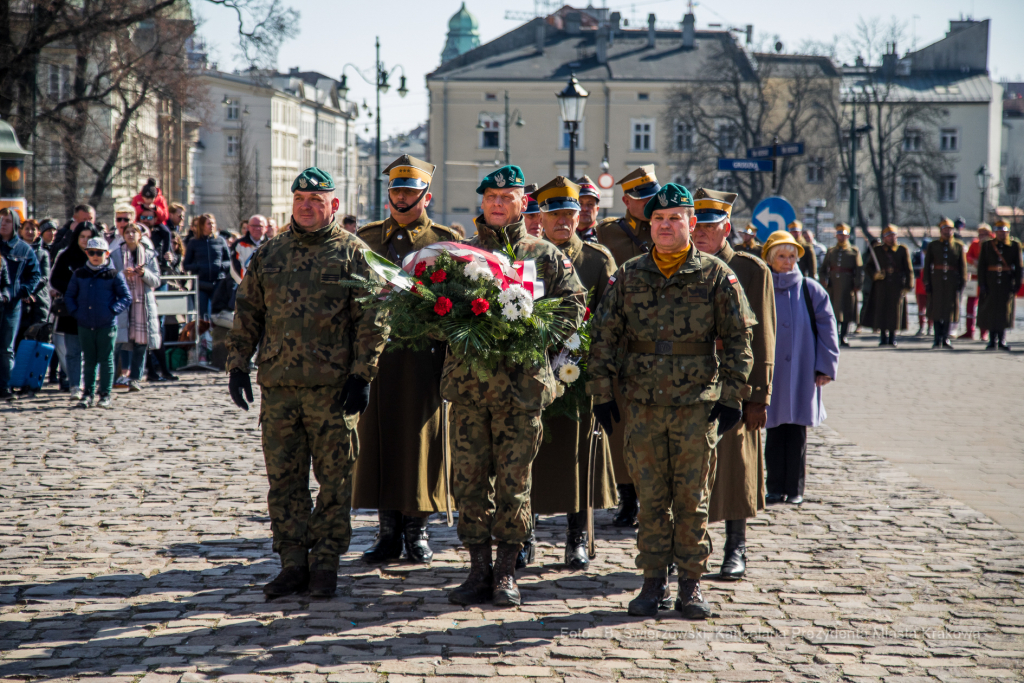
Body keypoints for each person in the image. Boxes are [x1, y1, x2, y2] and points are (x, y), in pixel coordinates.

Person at [589, 182, 753, 618]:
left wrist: (732, 396)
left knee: (692, 500)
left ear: (691, 223)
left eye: (674, 219)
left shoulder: (716, 276)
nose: (665, 226)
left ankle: (691, 584)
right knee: (650, 499)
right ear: (650, 225)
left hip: (696, 406)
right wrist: (601, 393)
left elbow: (740, 341)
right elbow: (603, 337)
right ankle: (652, 582)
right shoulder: (629, 275)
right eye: (658, 219)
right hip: (642, 407)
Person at [226, 167, 388, 600]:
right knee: (284, 481)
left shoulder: (353, 253)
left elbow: (373, 320)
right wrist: (237, 364)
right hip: (279, 388)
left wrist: (362, 374)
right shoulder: (271, 252)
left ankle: (326, 564)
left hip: (332, 390)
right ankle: (293, 563)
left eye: (316, 200)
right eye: (300, 200)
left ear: (333, 205)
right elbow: (248, 310)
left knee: (335, 481)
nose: (307, 207)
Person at [444, 165, 585, 608]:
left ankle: (506, 571)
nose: (498, 203)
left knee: (514, 484)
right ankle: (477, 570)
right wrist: (458, 323)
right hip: (469, 389)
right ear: (482, 202)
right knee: (469, 483)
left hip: (521, 392)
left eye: (508, 197)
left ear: (525, 203)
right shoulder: (460, 254)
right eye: (492, 196)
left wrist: (533, 329)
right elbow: (433, 310)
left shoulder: (545, 255)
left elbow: (575, 306)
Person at [353, 155, 461, 565]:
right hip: (377, 358)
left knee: (420, 444)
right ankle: (387, 531)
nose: (401, 198)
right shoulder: (367, 238)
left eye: (410, 192)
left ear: (426, 196)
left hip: (423, 358)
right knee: (379, 441)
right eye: (396, 190)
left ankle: (418, 529)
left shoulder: (444, 241)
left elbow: (457, 302)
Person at [530, 175, 617, 571]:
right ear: (541, 218)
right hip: (532, 372)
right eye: (555, 214)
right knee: (527, 454)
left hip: (576, 373)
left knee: (577, 457)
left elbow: (611, 316)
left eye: (571, 213)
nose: (564, 220)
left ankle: (576, 536)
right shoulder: (525, 256)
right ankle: (525, 534)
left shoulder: (597, 260)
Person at [689, 189, 775, 582]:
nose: (701, 233)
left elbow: (764, 338)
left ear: (727, 228)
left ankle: (735, 546)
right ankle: (691, 547)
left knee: (735, 469)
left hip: (734, 385)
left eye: (710, 226)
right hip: (688, 386)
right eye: (697, 225)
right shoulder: (679, 264)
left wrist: (759, 395)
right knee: (690, 472)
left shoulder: (750, 269)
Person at [594, 165, 661, 528]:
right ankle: (627, 497)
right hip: (621, 342)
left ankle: (654, 496)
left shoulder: (666, 226)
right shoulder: (607, 233)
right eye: (642, 198)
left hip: (659, 340)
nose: (650, 204)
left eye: (653, 196)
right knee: (620, 425)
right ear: (626, 201)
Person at [761, 230, 839, 506]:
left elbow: (828, 329)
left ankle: (795, 488)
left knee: (796, 433)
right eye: (781, 256)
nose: (787, 262)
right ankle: (773, 487)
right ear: (770, 258)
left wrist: (825, 367)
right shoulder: (762, 288)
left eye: (791, 256)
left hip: (803, 372)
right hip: (772, 374)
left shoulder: (810, 289)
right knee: (773, 432)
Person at [64, 236, 131, 409]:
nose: (95, 256)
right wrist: (76, 312)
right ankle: (88, 394)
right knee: (89, 360)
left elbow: (126, 297)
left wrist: (112, 310)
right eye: (92, 252)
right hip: (85, 324)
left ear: (106, 254)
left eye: (99, 253)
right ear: (87, 253)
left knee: (106, 359)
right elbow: (69, 296)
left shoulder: (114, 274)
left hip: (106, 324)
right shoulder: (79, 274)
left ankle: (105, 395)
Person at [50, 222, 100, 398]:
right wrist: (74, 288)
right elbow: (55, 279)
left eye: (89, 237)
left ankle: (89, 385)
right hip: (71, 309)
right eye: (82, 237)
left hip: (94, 310)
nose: (85, 240)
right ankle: (75, 386)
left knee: (92, 352)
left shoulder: (99, 255)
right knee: (72, 351)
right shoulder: (66, 255)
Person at [110, 223, 161, 392]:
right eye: (128, 232)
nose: (131, 235)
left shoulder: (149, 255)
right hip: (122, 303)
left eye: (134, 232)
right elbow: (109, 277)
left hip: (143, 304)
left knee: (141, 344)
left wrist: (144, 273)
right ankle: (110, 379)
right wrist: (121, 275)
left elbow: (156, 281)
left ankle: (135, 379)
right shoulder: (115, 255)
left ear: (140, 235)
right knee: (117, 343)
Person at [0, 210, 41, 400]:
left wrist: (23, 291)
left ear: (15, 224)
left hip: (12, 305)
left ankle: (5, 386)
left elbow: (35, 275)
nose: (3, 224)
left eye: (8, 221)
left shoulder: (24, 249)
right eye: (1, 220)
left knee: (6, 348)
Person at [863, 225, 913, 346]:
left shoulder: (902, 250)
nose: (891, 238)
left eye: (893, 236)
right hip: (882, 284)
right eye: (888, 236)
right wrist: (875, 275)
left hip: (896, 284)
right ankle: (883, 337)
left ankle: (892, 337)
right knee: (881, 310)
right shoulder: (877, 250)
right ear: (884, 238)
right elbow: (868, 267)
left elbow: (908, 269)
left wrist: (908, 285)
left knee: (894, 311)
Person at [977, 220, 1023, 351]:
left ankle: (1002, 340)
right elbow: (981, 266)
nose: (1001, 234)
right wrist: (982, 283)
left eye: (1004, 232)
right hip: (990, 282)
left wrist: (1017, 283)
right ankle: (992, 340)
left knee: (1004, 312)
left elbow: (1019, 266)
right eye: (999, 232)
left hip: (1006, 282)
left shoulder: (1014, 245)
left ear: (1008, 232)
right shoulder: (987, 245)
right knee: (991, 310)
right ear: (995, 232)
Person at [923, 217, 967, 349]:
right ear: (941, 231)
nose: (947, 232)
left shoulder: (958, 246)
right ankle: (937, 338)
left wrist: (962, 282)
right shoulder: (933, 245)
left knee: (949, 310)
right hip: (936, 281)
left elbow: (962, 266)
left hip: (952, 282)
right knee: (936, 310)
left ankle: (945, 338)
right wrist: (927, 282)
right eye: (945, 229)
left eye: (950, 229)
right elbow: (927, 265)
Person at [820, 224, 863, 347]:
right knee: (833, 312)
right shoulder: (831, 251)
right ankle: (834, 337)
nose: (841, 237)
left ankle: (843, 336)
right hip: (833, 287)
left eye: (844, 235)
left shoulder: (854, 251)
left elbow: (859, 269)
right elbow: (823, 268)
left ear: (848, 236)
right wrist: (824, 280)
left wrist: (857, 284)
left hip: (848, 286)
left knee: (846, 311)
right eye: (839, 235)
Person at [182, 214, 231, 319]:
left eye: (213, 223)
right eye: (209, 223)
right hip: (201, 284)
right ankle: (203, 330)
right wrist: (199, 266)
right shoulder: (193, 242)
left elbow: (229, 261)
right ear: (202, 226)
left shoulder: (221, 240)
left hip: (218, 282)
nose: (212, 226)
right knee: (202, 315)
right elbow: (186, 265)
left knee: (217, 314)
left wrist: (220, 266)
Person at [15, 219, 51, 345]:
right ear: (21, 231)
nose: (30, 232)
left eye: (33, 229)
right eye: (27, 229)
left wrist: (29, 290)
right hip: (18, 299)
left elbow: (44, 277)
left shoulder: (43, 253)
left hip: (38, 300)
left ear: (38, 232)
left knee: (38, 339)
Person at [961, 224, 992, 340]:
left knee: (985, 306)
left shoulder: (992, 244)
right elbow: (967, 256)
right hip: (975, 279)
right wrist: (973, 261)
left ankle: (984, 332)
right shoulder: (975, 244)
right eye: (980, 234)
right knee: (970, 306)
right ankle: (969, 331)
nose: (982, 236)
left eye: (984, 234)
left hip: (987, 280)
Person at [231, 215, 267, 285]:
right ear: (248, 227)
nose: (257, 228)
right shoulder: (239, 245)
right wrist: (247, 284)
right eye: (253, 225)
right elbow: (235, 268)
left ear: (266, 228)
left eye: (260, 226)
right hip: (244, 286)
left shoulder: (272, 245)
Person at [574, 175, 601, 243]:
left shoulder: (605, 237)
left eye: (590, 204)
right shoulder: (562, 236)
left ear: (597, 209)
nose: (584, 209)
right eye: (580, 204)